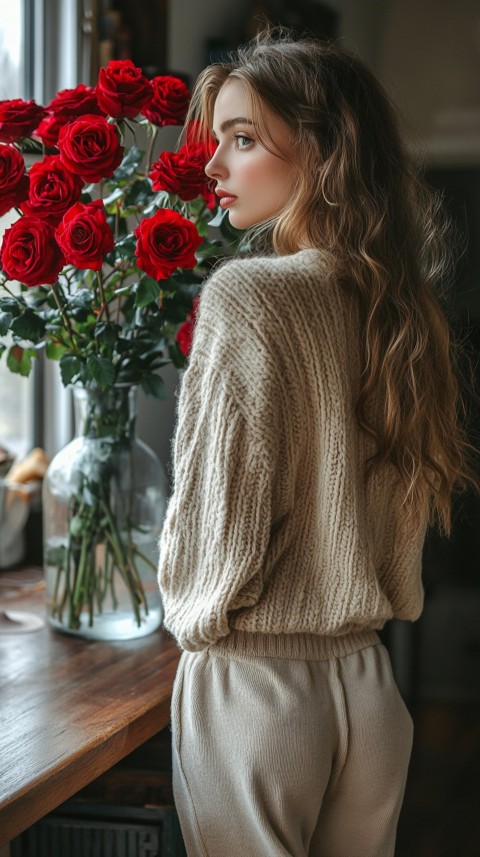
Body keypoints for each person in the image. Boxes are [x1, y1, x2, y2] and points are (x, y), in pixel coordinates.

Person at [157, 27, 476, 857]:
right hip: (369, 691)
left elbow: (220, 522)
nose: (214, 168)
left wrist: (193, 619)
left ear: (324, 153)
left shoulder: (249, 296)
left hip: (258, 690)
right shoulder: (402, 308)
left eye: (243, 139)